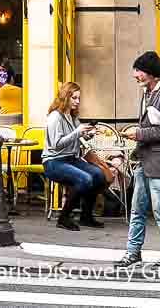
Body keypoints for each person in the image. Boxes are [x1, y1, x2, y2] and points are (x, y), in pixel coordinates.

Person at [117, 51, 160, 273]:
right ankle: (133, 252)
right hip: (146, 160)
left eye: (139, 71)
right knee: (137, 208)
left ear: (151, 73)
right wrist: (138, 138)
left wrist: (139, 134)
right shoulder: (149, 93)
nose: (135, 75)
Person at [42, 81, 106, 232]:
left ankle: (86, 216)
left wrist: (87, 134)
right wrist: (77, 132)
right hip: (54, 161)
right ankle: (64, 217)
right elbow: (56, 145)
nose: (78, 102)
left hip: (71, 159)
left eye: (79, 98)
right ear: (65, 97)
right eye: (74, 98)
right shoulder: (55, 117)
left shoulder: (72, 116)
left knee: (99, 175)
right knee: (85, 179)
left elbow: (76, 138)